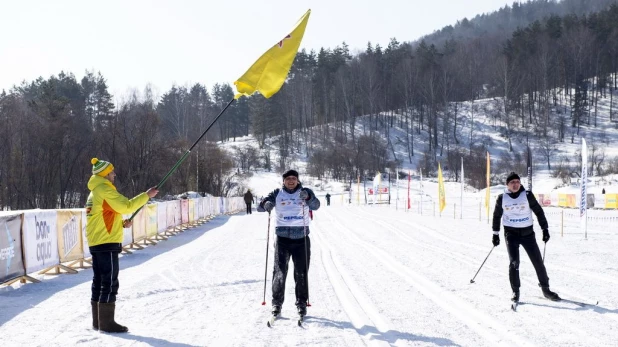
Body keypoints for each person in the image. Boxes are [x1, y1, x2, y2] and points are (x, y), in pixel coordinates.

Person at [86, 158, 159, 332]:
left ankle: (98, 322)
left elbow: (103, 215)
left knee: (99, 280)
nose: (114, 174)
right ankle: (106, 322)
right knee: (109, 281)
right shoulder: (104, 189)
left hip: (98, 240)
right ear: (105, 174)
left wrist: (120, 224)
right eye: (112, 172)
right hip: (106, 241)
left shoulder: (95, 191)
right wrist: (146, 196)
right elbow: (126, 206)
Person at [257, 169, 320, 318]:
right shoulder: (277, 193)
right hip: (282, 239)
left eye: (294, 178)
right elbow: (260, 206)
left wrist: (309, 197)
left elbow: (316, 205)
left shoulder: (305, 191)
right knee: (279, 272)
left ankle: (301, 304)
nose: (291, 181)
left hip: (301, 239)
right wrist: (266, 203)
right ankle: (276, 304)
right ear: (283, 181)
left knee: (301, 273)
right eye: (288, 179)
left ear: (297, 180)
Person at [492, 172, 560, 303]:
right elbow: (496, 216)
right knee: (514, 263)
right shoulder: (502, 198)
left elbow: (539, 212)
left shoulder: (527, 195)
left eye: (517, 182)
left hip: (528, 234)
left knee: (538, 262)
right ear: (507, 185)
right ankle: (515, 291)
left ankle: (546, 289)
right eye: (512, 182)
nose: (515, 184)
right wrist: (495, 234)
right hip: (511, 234)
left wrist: (545, 229)